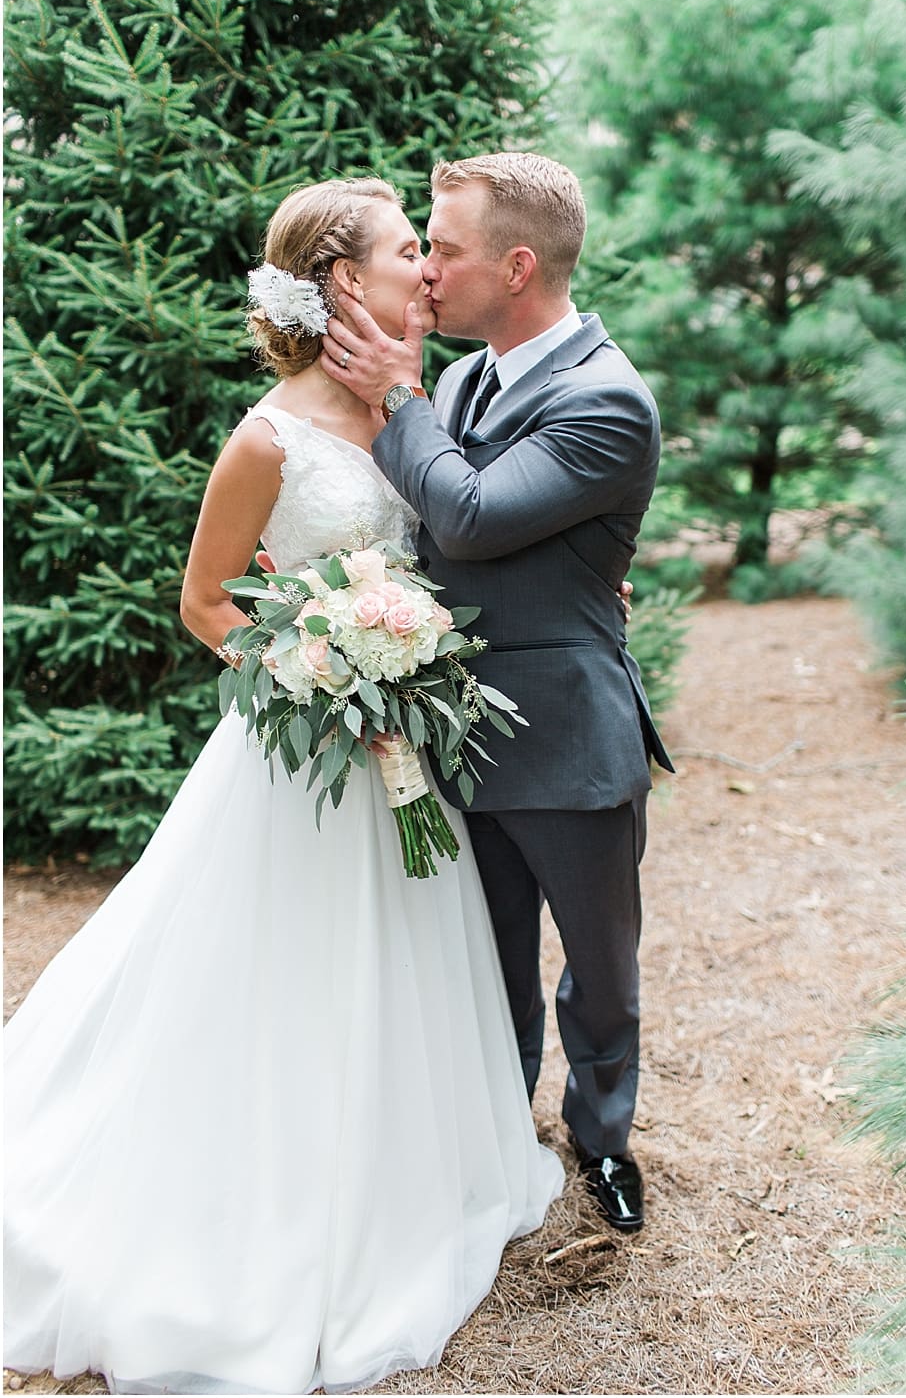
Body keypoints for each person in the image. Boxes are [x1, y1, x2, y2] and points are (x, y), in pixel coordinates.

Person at [3, 178, 564, 1393]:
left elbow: (480, 531)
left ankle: (404, 1177)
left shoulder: (423, 405)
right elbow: (207, 602)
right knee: (279, 978)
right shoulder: (267, 439)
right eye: (409, 250)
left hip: (403, 750)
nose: (427, 268)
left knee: (404, 964)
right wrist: (314, 672)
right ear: (343, 281)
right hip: (306, 756)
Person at [320, 152, 671, 1235]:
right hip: (455, 732)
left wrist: (396, 393)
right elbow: (429, 526)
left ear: (517, 267)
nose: (426, 271)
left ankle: (602, 1138)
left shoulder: (608, 399)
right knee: (487, 962)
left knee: (599, 974)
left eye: (449, 249)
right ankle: (492, 1143)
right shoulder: (466, 380)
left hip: (569, 740)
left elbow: (467, 514)